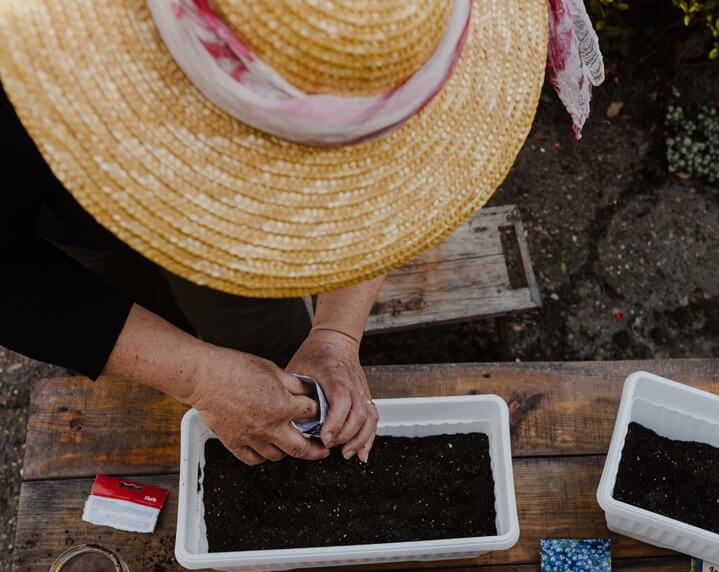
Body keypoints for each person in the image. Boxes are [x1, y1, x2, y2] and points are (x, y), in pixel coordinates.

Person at [0, 0, 601, 465]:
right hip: (64, 216)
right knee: (124, 324)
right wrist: (195, 375)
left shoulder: (409, 25)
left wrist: (336, 334)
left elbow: (399, 181)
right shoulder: (21, 69)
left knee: (262, 346)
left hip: (229, 233)